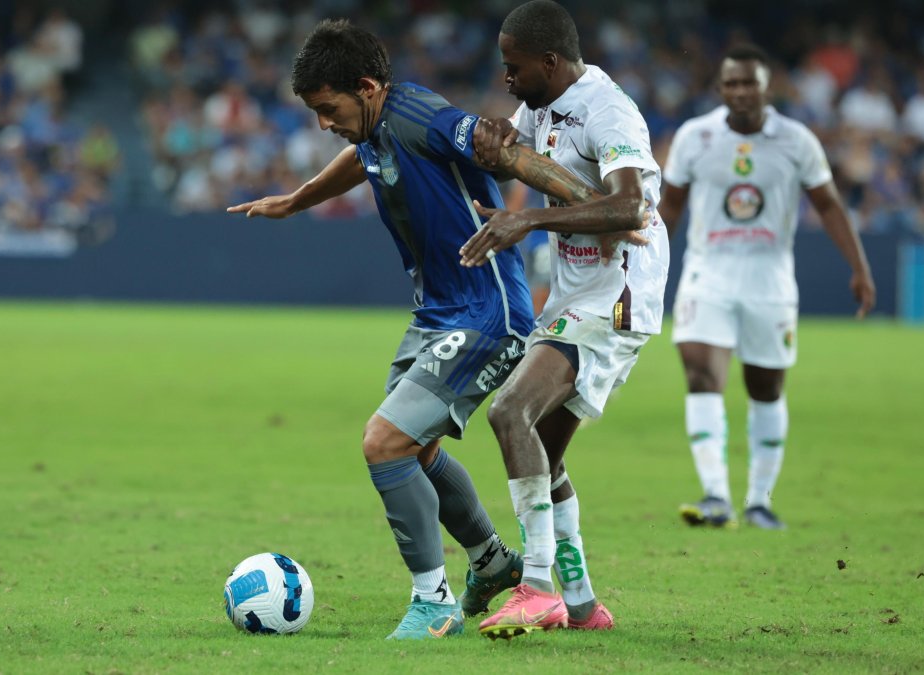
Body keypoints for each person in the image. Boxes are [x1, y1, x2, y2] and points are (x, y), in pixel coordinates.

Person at [228, 18, 640, 640]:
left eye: (327, 108)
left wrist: (600, 209)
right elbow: (360, 157)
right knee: (413, 449)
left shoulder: (421, 116)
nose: (323, 123)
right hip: (438, 312)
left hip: (487, 312)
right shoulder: (376, 125)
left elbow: (507, 153)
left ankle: (434, 599)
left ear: (367, 88)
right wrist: (298, 198)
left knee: (384, 443)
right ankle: (491, 562)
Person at [457, 0, 668, 639]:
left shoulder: (609, 111)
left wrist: (530, 219)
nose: (506, 78)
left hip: (619, 294)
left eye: (514, 68)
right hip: (576, 294)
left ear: (550, 61)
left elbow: (630, 206)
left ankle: (538, 588)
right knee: (543, 454)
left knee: (508, 412)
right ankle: (579, 604)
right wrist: (495, 142)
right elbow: (517, 149)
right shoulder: (543, 103)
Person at [656, 44, 876, 531]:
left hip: (769, 279)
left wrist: (859, 267)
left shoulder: (796, 141)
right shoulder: (695, 137)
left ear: (766, 86)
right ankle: (716, 495)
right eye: (731, 83)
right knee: (700, 374)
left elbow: (830, 206)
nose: (740, 91)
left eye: (749, 82)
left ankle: (759, 500)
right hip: (706, 273)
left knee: (765, 387)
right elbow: (669, 207)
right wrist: (647, 266)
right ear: (720, 89)